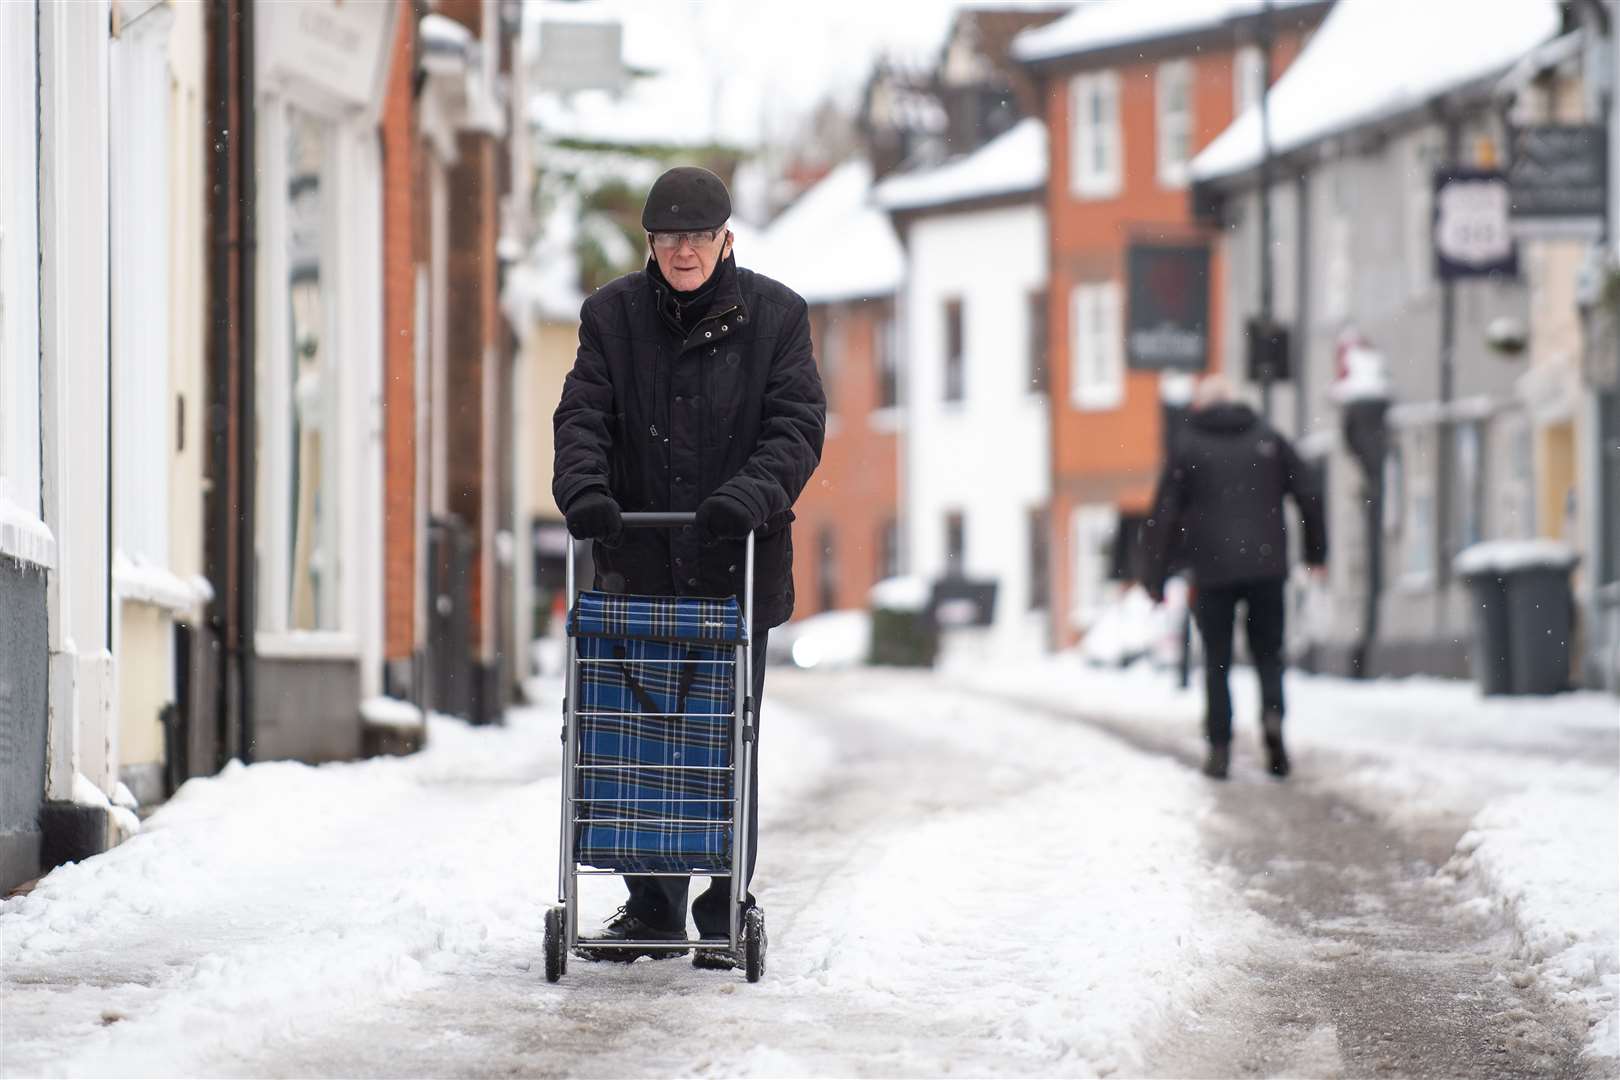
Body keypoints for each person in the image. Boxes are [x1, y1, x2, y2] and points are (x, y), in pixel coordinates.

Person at [552, 166, 825, 967]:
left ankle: (721, 909)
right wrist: (585, 489)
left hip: (733, 567)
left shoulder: (778, 317)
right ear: (650, 243)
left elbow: (797, 426)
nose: (683, 251)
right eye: (668, 237)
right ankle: (649, 906)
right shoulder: (611, 318)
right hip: (636, 563)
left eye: (699, 237)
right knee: (636, 739)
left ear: (726, 240)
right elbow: (582, 417)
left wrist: (749, 495)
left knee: (724, 738)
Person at [1138, 376, 1326, 781]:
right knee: (1268, 654)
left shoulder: (1188, 445)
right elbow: (1310, 492)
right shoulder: (1268, 437)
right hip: (1267, 567)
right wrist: (1316, 552)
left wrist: (1154, 577)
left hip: (1211, 571)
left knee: (1217, 661)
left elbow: (1164, 514)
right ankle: (1273, 719)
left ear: (1200, 406)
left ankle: (1219, 746)